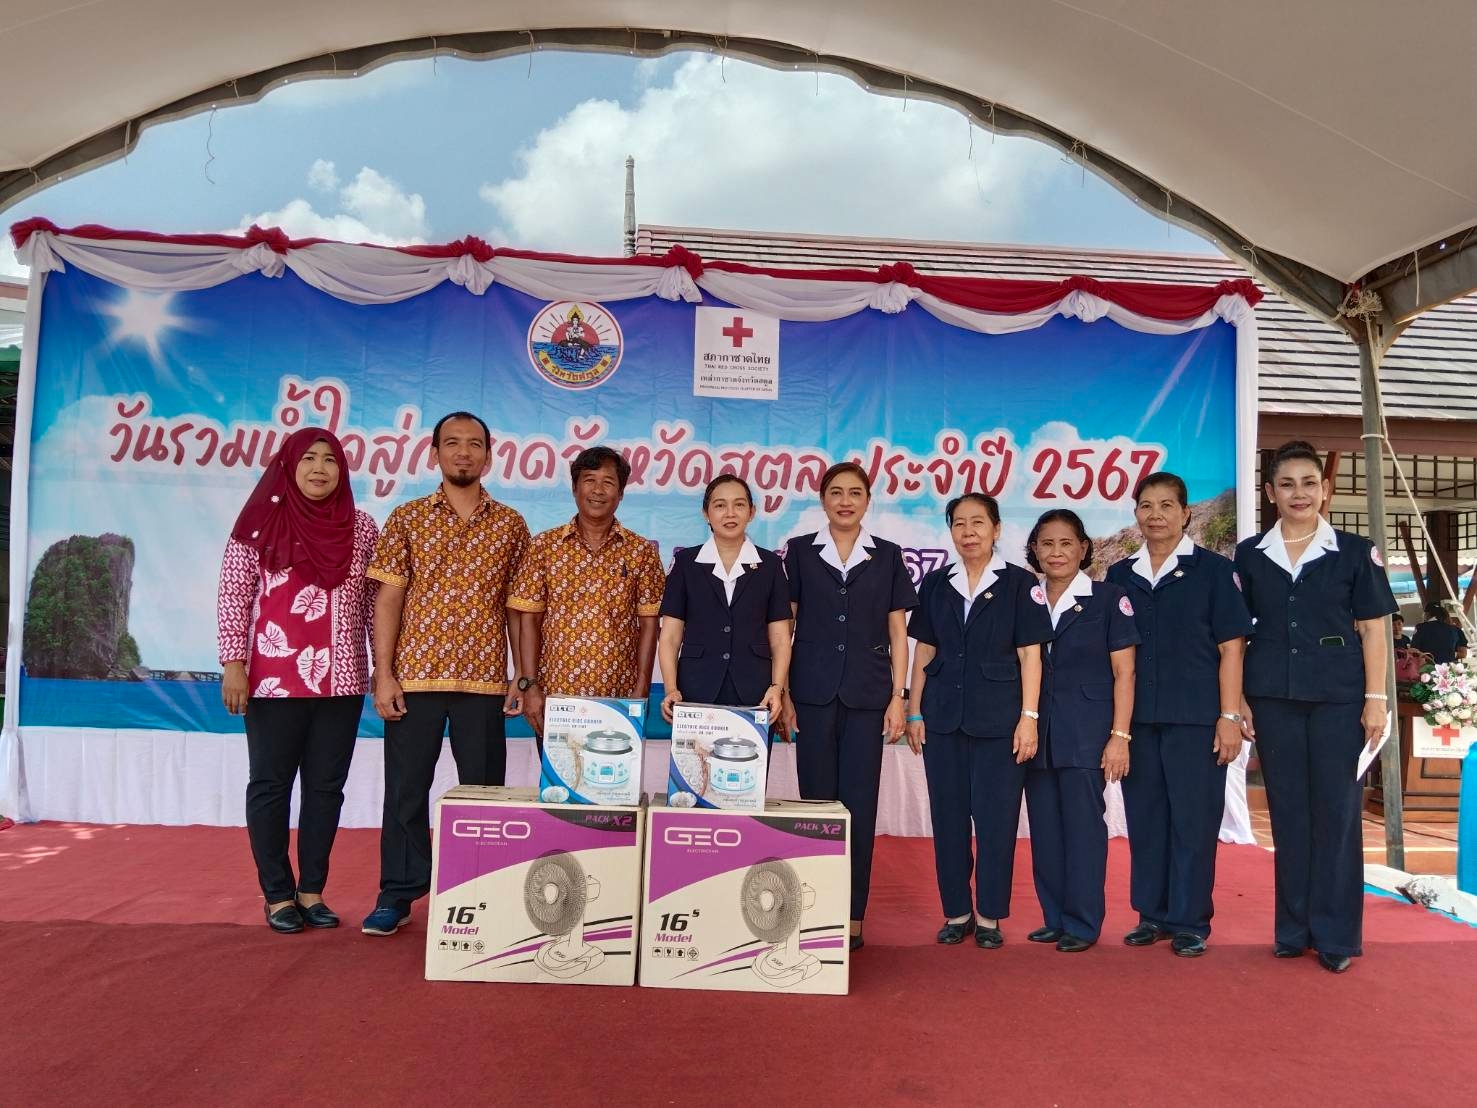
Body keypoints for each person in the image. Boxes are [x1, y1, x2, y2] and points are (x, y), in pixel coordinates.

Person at [361, 412, 531, 937]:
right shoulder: (407, 518)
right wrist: (383, 674)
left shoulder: (511, 525)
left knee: (484, 794)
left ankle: (481, 892)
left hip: (483, 682)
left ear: (489, 456)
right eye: (452, 443)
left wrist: (521, 675)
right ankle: (397, 894)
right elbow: (388, 599)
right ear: (433, 453)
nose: (464, 452)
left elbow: (518, 608)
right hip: (414, 680)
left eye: (474, 444)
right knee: (405, 793)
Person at [1235, 440, 1397, 974]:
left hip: (1338, 702)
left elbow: (1373, 630)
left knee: (1337, 814)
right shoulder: (1250, 554)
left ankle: (1335, 935)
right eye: (1287, 484)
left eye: (1309, 483)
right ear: (1270, 493)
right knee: (1287, 813)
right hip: (1273, 701)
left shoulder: (1354, 552)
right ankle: (1293, 929)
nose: (1299, 493)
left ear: (1325, 490)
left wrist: (1376, 701)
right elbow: (1238, 634)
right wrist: (1240, 700)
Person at [217, 429, 379, 933]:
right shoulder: (259, 522)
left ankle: (311, 891)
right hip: (274, 680)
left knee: (326, 789)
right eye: (308, 458)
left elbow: (373, 604)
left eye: (330, 460)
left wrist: (383, 667)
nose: (319, 468)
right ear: (288, 466)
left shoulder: (362, 527)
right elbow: (234, 594)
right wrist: (233, 663)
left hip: (343, 680)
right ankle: (277, 895)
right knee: (270, 786)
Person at [1105, 471, 1252, 958]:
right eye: (1146, 506)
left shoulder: (1214, 571)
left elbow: (1232, 649)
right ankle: (1151, 914)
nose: (1156, 515)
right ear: (1136, 514)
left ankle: (1190, 920)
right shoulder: (1120, 575)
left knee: (1193, 821)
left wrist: (1229, 716)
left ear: (1186, 513)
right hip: (1139, 721)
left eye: (1167, 505)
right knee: (1147, 820)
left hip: (1196, 720)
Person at [905, 493, 1051, 950]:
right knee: (948, 820)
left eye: (978, 523)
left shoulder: (1020, 584)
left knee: (996, 822)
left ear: (996, 529)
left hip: (1000, 722)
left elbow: (1031, 656)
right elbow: (924, 649)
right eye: (959, 524)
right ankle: (957, 912)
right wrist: (914, 709)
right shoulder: (936, 583)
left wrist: (1029, 718)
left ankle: (989, 915)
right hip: (942, 720)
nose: (968, 532)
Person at [785, 462, 917, 952]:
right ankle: (815, 909)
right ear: (822, 499)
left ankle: (852, 914)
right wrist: (785, 692)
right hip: (812, 696)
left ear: (867, 500)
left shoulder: (887, 555)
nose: (845, 501)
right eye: (836, 492)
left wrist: (898, 697)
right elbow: (785, 628)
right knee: (816, 805)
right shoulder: (800, 551)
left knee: (859, 807)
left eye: (855, 493)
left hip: (868, 696)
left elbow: (899, 633)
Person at [1022, 509, 1139, 952]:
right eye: (1047, 543)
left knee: (1083, 830)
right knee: (1046, 830)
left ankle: (1083, 922)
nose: (1056, 552)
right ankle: (1054, 917)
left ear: (1084, 548)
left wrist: (1119, 736)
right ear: (1035, 549)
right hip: (1037, 735)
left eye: (1066, 543)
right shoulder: (1026, 598)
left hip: (1087, 733)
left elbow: (1124, 672)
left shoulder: (1108, 598)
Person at [509, 445, 666, 735]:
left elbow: (649, 625)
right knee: (558, 768)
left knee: (613, 764)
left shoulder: (641, 552)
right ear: (574, 488)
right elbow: (529, 620)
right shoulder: (544, 546)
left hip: (619, 698)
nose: (598, 490)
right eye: (589, 480)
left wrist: (642, 686)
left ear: (621, 493)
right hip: (555, 698)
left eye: (608, 482)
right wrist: (529, 686)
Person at [658, 475, 791, 724]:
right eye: (720, 505)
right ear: (706, 513)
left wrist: (777, 688)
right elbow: (670, 637)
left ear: (751, 512)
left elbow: (781, 638)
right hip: (694, 689)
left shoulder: (771, 565)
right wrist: (671, 688)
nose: (730, 513)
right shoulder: (686, 563)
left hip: (756, 692)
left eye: (739, 505)